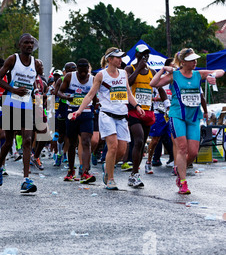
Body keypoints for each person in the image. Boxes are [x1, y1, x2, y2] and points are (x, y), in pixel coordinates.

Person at [150, 48, 224, 194]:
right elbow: (154, 83)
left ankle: (179, 168)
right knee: (182, 148)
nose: (195, 62)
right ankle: (183, 182)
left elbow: (221, 70)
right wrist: (163, 69)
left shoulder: (198, 74)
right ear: (183, 62)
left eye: (196, 59)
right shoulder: (174, 75)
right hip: (177, 115)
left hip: (194, 117)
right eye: (192, 60)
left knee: (193, 152)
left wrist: (213, 75)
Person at [69, 47, 145, 190]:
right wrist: (79, 111)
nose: (120, 60)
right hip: (107, 115)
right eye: (117, 57)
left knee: (122, 151)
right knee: (113, 146)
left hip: (122, 116)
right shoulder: (101, 75)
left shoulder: (123, 74)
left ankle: (107, 167)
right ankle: (110, 179)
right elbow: (90, 95)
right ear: (110, 59)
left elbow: (128, 93)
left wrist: (137, 106)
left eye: (121, 57)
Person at [0, 33, 43, 194]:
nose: (29, 45)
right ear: (20, 45)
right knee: (8, 141)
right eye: (25, 42)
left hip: (26, 104)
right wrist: (13, 89)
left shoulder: (37, 63)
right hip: (11, 103)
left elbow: (38, 81)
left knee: (27, 139)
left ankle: (25, 180)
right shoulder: (12, 59)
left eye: (31, 43)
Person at [124, 45, 168, 187]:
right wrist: (138, 68)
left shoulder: (153, 71)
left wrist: (167, 104)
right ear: (136, 55)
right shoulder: (129, 69)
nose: (145, 57)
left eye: (147, 54)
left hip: (148, 111)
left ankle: (134, 174)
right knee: (138, 140)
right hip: (133, 110)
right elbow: (127, 83)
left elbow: (160, 88)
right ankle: (135, 174)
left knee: (142, 143)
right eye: (142, 54)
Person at [59, 58, 97, 183]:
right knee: (72, 143)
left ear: (88, 70)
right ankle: (70, 171)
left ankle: (85, 172)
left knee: (86, 141)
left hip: (87, 114)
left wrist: (94, 108)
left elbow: (95, 96)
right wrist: (65, 97)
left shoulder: (92, 78)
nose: (82, 74)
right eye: (80, 72)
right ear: (77, 70)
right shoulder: (70, 77)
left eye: (85, 72)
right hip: (72, 114)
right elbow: (59, 91)